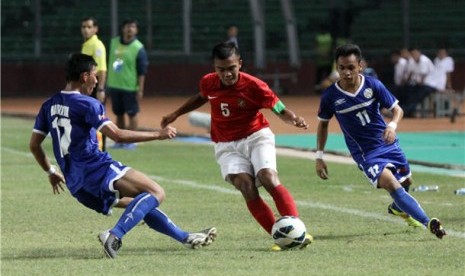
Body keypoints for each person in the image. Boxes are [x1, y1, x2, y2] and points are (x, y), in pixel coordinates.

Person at [29, 53, 216, 259]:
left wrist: (51, 171)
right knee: (156, 193)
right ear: (84, 76)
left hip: (76, 184)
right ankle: (114, 235)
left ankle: (185, 237)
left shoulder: (49, 105)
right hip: (95, 169)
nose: (97, 80)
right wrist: (158, 134)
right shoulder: (87, 104)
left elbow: (34, 145)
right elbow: (117, 135)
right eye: (94, 74)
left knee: (140, 204)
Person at [161, 42, 313, 251]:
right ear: (214, 68)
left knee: (268, 177)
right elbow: (201, 97)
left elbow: (277, 106)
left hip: (256, 136)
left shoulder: (255, 86)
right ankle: (279, 237)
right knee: (246, 187)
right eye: (221, 69)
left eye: (231, 68)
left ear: (239, 64)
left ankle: (295, 230)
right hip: (226, 145)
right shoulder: (209, 82)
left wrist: (294, 119)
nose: (227, 74)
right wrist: (175, 114)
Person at [315, 44, 446, 239]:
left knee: (406, 181)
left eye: (351, 67)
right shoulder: (330, 96)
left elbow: (397, 110)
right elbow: (323, 125)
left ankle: (396, 208)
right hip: (365, 154)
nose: (346, 72)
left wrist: (392, 126)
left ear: (360, 66)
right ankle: (429, 223)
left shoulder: (372, 85)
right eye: (341, 68)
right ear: (337, 68)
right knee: (392, 184)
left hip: (387, 143)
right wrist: (319, 156)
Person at [107, 18, 149, 149]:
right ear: (122, 28)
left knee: (132, 114)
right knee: (118, 114)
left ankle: (132, 141)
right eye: (127, 26)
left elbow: (142, 71)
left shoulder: (138, 48)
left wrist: (140, 89)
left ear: (136, 30)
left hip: (130, 87)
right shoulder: (114, 43)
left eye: (132, 27)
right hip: (114, 85)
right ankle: (120, 140)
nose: (129, 29)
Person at [81, 16, 107, 151]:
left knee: (98, 118)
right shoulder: (86, 44)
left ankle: (100, 148)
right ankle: (91, 145)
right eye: (84, 27)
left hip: (95, 86)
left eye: (89, 27)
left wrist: (101, 89)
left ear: (95, 29)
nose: (86, 30)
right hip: (87, 87)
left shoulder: (97, 45)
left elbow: (101, 69)